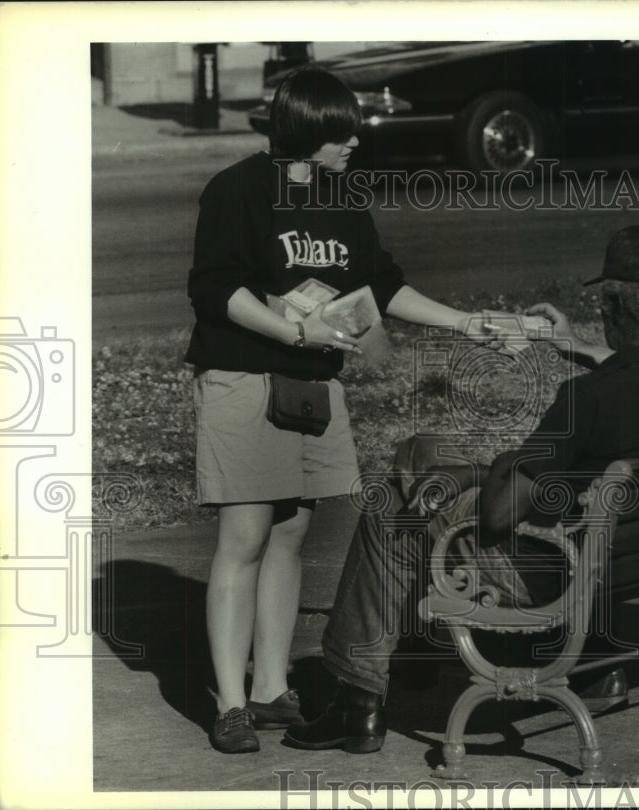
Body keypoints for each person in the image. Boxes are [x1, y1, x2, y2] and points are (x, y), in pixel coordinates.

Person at [282, 224, 639, 753]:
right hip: (620, 558)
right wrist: (481, 470)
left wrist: (502, 462)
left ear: (613, 307)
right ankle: (423, 651)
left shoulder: (589, 399)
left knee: (392, 509)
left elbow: (502, 515)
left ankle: (357, 700)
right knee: (425, 459)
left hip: (554, 572)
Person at [185, 65, 497, 754]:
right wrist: (294, 332)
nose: (354, 142)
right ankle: (231, 705)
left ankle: (270, 689)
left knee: (292, 534)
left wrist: (465, 324)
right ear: (306, 129)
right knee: (245, 539)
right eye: (341, 132)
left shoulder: (341, 196)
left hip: (313, 388)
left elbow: (380, 286)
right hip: (245, 380)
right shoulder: (236, 191)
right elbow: (216, 288)